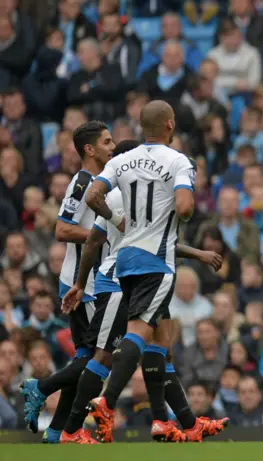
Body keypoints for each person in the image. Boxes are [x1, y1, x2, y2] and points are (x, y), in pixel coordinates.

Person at [60, 140, 227, 443]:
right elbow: (94, 240)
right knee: (105, 354)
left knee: (161, 347)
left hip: (141, 270)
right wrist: (81, 283)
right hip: (122, 278)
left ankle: (176, 422)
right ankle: (74, 425)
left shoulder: (134, 191)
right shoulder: (126, 194)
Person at [80, 100, 196, 443]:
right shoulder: (179, 161)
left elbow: (92, 195)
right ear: (171, 125)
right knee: (139, 333)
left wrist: (118, 219)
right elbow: (186, 208)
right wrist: (178, 212)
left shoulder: (120, 160)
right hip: (157, 260)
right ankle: (107, 400)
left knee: (159, 338)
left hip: (126, 258)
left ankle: (166, 420)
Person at [20, 121, 114, 443]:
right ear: (89, 149)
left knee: (86, 359)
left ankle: (56, 432)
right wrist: (102, 235)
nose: (112, 147)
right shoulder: (82, 182)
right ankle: (41, 387)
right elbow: (61, 230)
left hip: (93, 282)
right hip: (82, 284)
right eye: (106, 141)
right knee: (97, 358)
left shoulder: (103, 181)